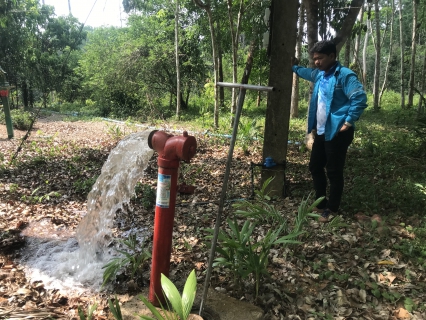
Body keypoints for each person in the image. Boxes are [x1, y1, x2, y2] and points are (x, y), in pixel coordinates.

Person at [291, 40, 367, 222]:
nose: (316, 62)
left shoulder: (344, 76)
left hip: (338, 132)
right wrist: (294, 67)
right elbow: (306, 72)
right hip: (322, 131)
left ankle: (331, 209)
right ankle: (321, 203)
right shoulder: (319, 75)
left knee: (333, 171)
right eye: (314, 58)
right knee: (315, 166)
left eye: (320, 58)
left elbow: (359, 98)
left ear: (332, 56)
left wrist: (348, 122)